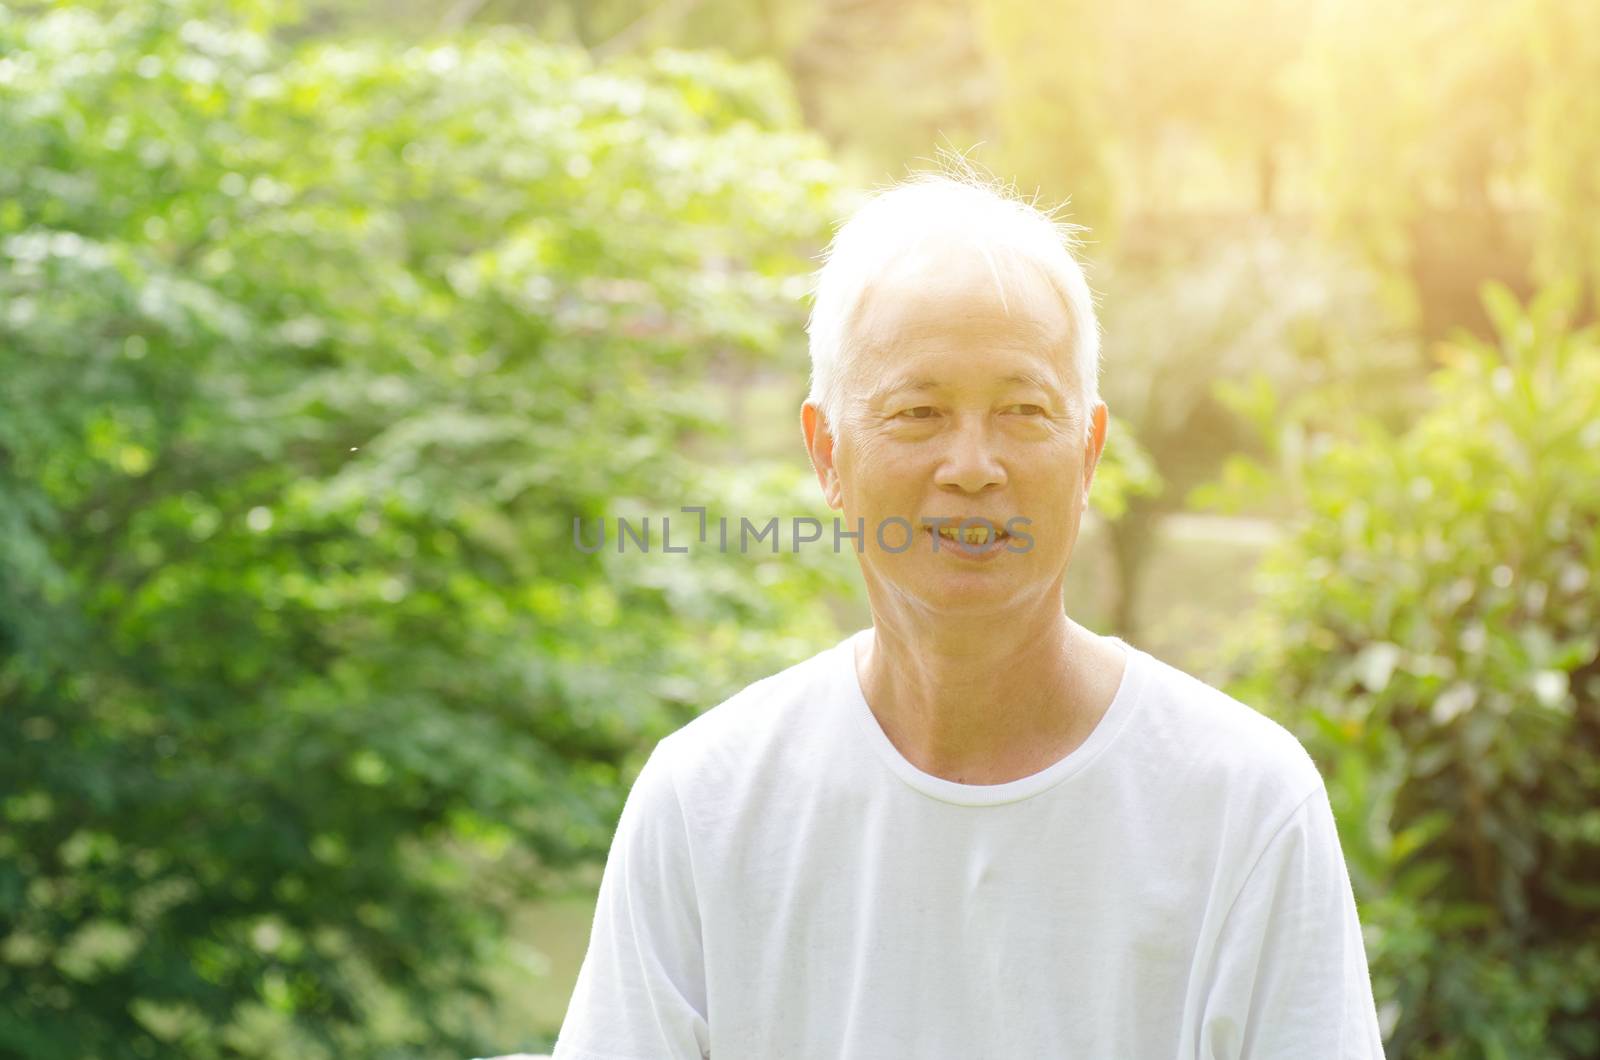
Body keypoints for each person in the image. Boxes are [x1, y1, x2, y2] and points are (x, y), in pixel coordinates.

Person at [551, 171, 1386, 1059]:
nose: (973, 465)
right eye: (919, 412)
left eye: (1024, 410)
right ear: (827, 453)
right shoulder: (706, 803)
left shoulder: (1244, 804)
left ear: (1090, 450)